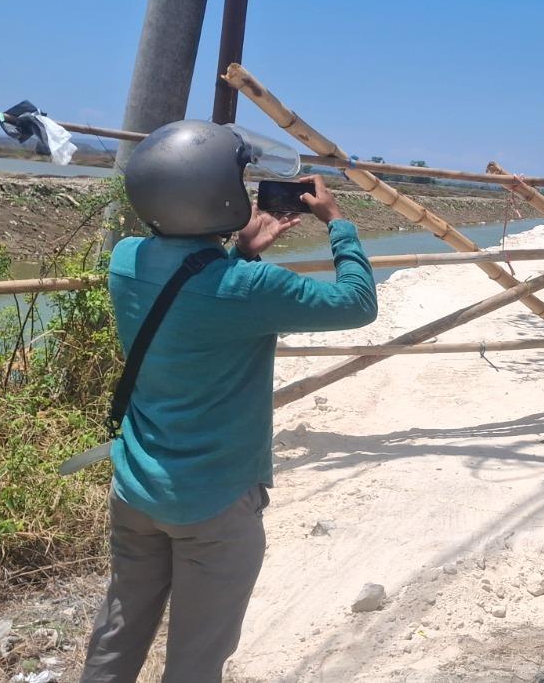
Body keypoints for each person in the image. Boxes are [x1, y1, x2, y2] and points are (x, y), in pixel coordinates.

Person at [80, 120, 378, 683]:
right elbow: (357, 303)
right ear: (219, 194)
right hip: (213, 504)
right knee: (196, 657)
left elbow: (195, 293)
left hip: (136, 488)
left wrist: (240, 251)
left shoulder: (125, 259)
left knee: (120, 628)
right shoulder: (252, 289)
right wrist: (337, 222)